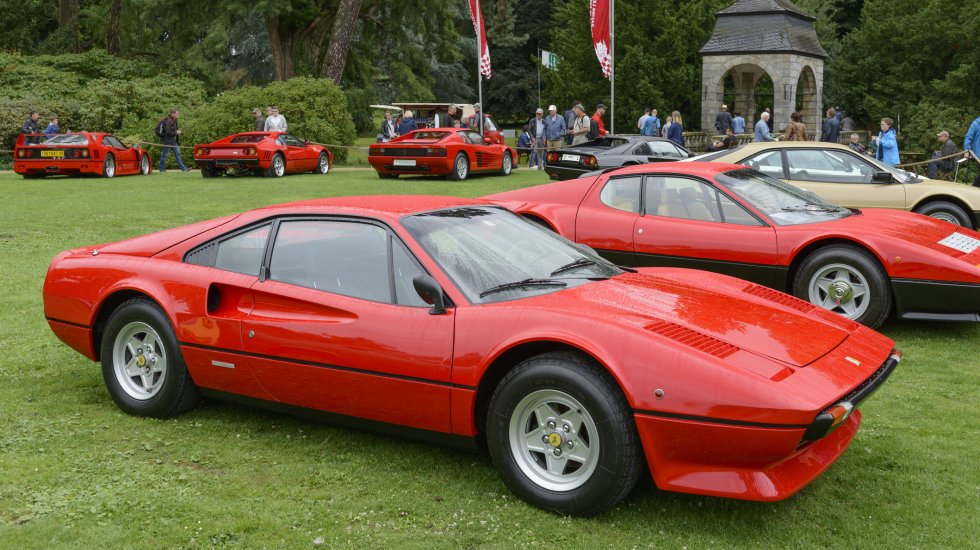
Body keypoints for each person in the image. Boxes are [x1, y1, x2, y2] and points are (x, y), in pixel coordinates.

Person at [158, 108, 189, 173]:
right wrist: (176, 132)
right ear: (172, 114)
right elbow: (168, 132)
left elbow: (173, 131)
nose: (178, 114)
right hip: (168, 141)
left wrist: (177, 132)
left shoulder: (175, 121)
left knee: (178, 155)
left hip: (174, 142)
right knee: (164, 155)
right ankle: (161, 169)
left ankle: (184, 169)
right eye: (177, 113)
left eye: (178, 113)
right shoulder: (168, 121)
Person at [965, 115, 980, 187]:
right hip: (978, 154)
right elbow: (968, 137)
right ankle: (974, 188)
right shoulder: (975, 124)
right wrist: (966, 150)